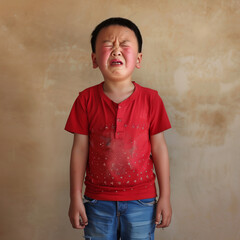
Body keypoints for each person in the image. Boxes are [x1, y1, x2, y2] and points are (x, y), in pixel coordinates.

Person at [65, 17, 172, 240]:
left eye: (124, 44)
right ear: (94, 59)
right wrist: (75, 197)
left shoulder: (152, 100)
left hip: (142, 201)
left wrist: (165, 196)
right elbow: (79, 150)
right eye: (107, 44)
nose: (116, 50)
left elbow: (160, 149)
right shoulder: (85, 100)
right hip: (97, 201)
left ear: (139, 59)